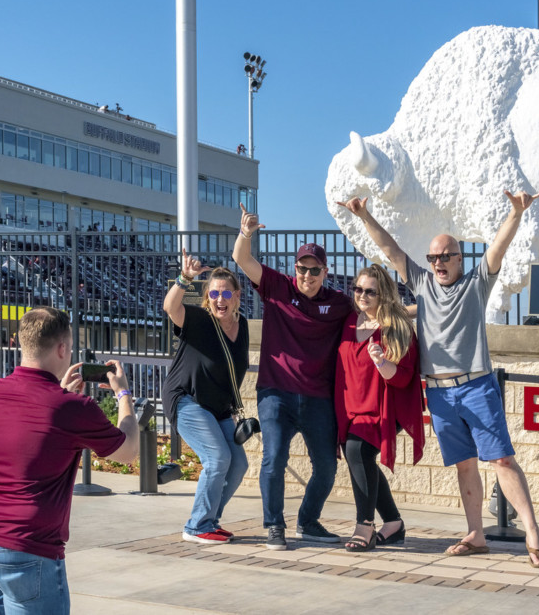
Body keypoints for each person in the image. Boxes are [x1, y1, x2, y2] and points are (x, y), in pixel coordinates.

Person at [339, 192, 539, 567]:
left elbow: (499, 246)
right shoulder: (421, 283)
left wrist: (516, 213)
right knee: (465, 464)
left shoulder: (476, 283)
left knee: (501, 459)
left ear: (459, 258)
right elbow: (389, 250)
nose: (438, 263)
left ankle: (533, 533)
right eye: (433, 257)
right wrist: (364, 215)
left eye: (445, 256)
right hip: (438, 392)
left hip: (476, 385)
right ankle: (475, 534)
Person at [0, 307, 139, 615]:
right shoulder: (72, 408)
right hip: (23, 549)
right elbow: (128, 450)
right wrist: (123, 395)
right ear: (63, 348)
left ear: (22, 344)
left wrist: (60, 392)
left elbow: (25, 431)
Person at [232, 203, 353, 550]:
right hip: (276, 392)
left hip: (318, 396)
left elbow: (374, 309)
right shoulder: (278, 286)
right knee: (274, 460)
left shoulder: (339, 302)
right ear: (295, 268)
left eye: (315, 270)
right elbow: (242, 259)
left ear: (325, 272)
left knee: (327, 467)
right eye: (303, 269)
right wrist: (246, 233)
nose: (308, 276)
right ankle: (274, 525)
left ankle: (308, 521)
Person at [335, 264, 425, 552]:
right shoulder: (349, 320)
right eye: (358, 289)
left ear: (383, 294)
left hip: (385, 407)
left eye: (370, 291)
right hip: (352, 405)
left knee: (357, 451)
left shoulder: (397, 329)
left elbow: (404, 377)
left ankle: (365, 525)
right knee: (361, 457)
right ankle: (394, 524)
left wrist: (383, 363)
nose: (362, 295)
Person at [163, 249, 250, 545]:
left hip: (219, 408)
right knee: (217, 458)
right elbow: (170, 307)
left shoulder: (243, 326)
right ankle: (197, 525)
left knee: (238, 464)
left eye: (226, 294)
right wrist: (185, 278)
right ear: (207, 296)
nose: (219, 299)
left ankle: (210, 518)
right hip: (186, 399)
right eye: (214, 293)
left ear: (237, 296)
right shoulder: (198, 319)